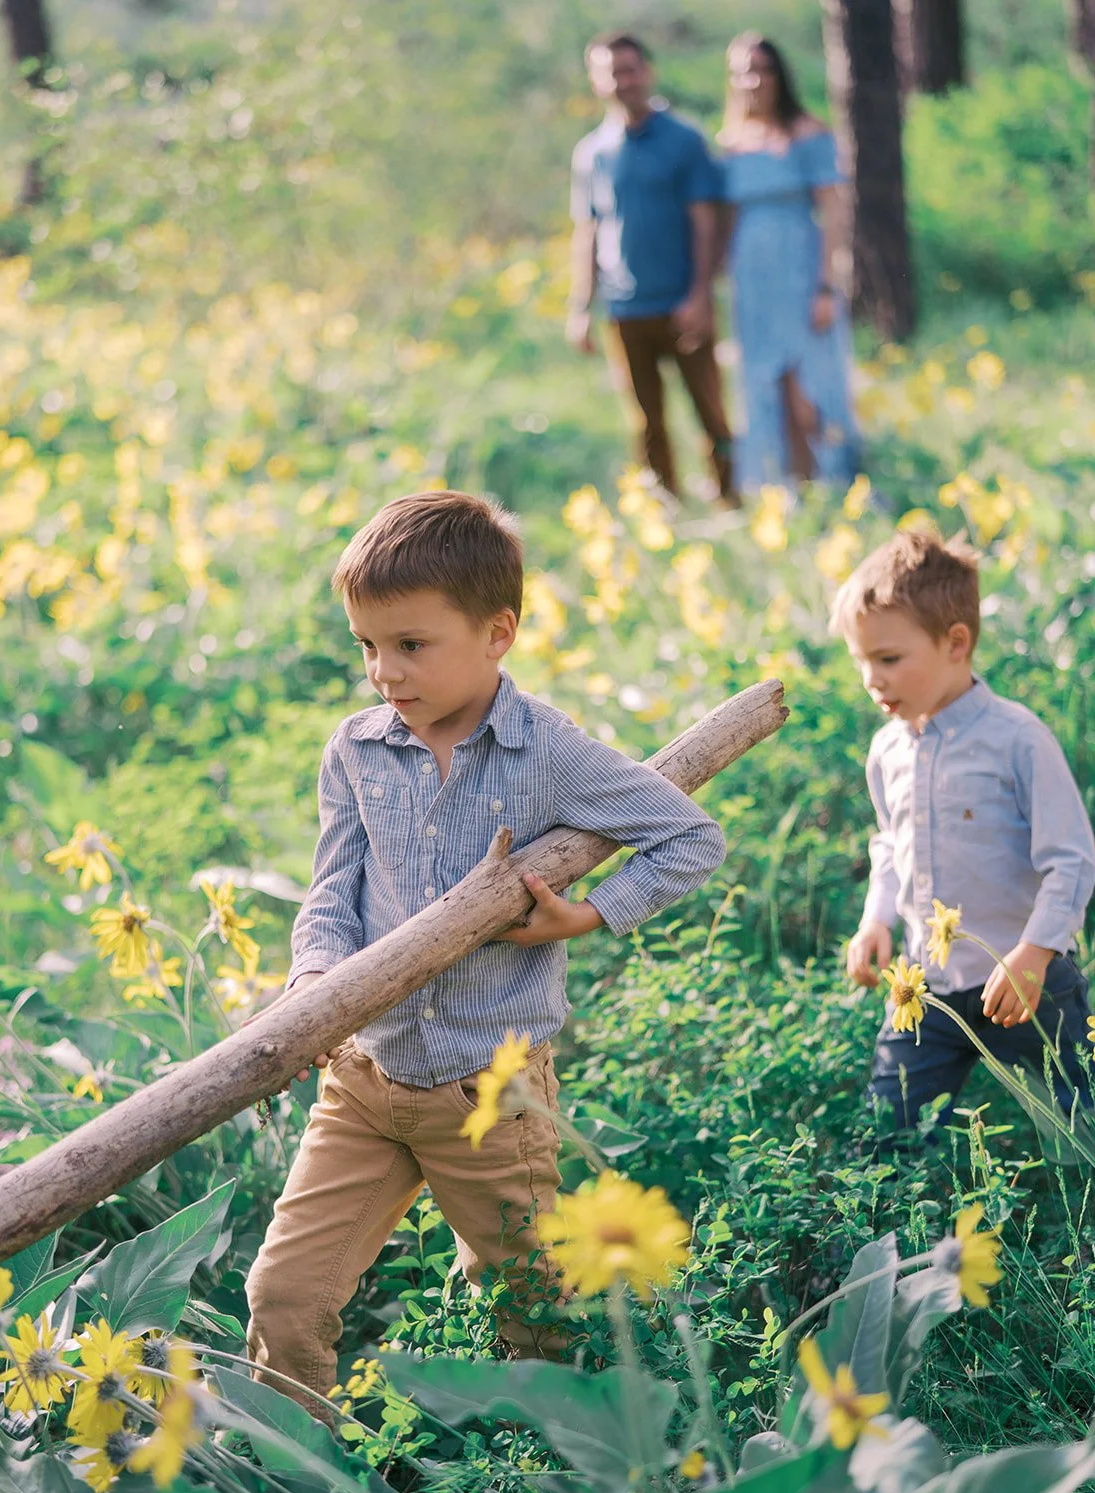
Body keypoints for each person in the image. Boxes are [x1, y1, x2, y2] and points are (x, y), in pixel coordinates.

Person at [245, 491, 726, 1410]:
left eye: (411, 645)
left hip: (490, 1093)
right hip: (364, 1080)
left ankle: (542, 1492)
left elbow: (690, 838)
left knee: (536, 1311)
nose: (384, 671)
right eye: (367, 647)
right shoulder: (355, 749)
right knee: (285, 1296)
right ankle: (296, 1489)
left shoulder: (546, 752)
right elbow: (330, 894)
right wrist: (312, 989)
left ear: (497, 632)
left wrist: (587, 916)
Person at [835, 526, 1095, 1137]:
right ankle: (893, 1230)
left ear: (956, 642)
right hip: (925, 987)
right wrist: (876, 918)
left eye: (889, 659)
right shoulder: (886, 750)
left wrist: (1034, 953)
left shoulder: (1016, 739)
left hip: (1030, 977)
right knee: (889, 1131)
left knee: (1082, 1121)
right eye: (862, 661)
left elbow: (1072, 858)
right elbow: (890, 844)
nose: (872, 678)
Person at [568, 32, 735, 504]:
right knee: (644, 419)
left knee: (710, 409)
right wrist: (581, 306)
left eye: (630, 69)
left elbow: (706, 223)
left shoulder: (684, 140)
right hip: (624, 308)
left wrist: (701, 294)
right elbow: (589, 232)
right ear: (597, 81)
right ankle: (665, 506)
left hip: (682, 302)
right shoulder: (592, 152)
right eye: (611, 72)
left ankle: (730, 499)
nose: (623, 80)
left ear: (648, 72)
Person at [718, 33, 860, 489]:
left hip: (799, 273)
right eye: (742, 71)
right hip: (752, 279)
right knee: (766, 381)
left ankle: (831, 480)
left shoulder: (808, 133)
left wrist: (825, 285)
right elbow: (725, 217)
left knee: (809, 381)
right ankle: (783, 485)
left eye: (761, 69)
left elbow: (834, 212)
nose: (752, 80)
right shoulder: (731, 142)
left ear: (779, 75)